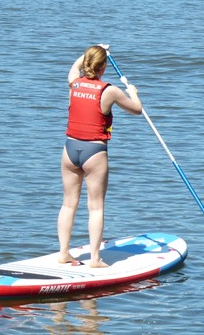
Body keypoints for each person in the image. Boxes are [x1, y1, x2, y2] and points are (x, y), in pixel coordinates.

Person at [57, 44, 142, 267]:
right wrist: (133, 93)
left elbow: (73, 68)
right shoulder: (110, 91)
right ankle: (95, 258)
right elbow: (136, 110)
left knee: (68, 205)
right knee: (95, 207)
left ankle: (64, 253)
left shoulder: (74, 83)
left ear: (87, 63)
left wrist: (92, 50)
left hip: (69, 150)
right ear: (103, 67)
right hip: (94, 152)